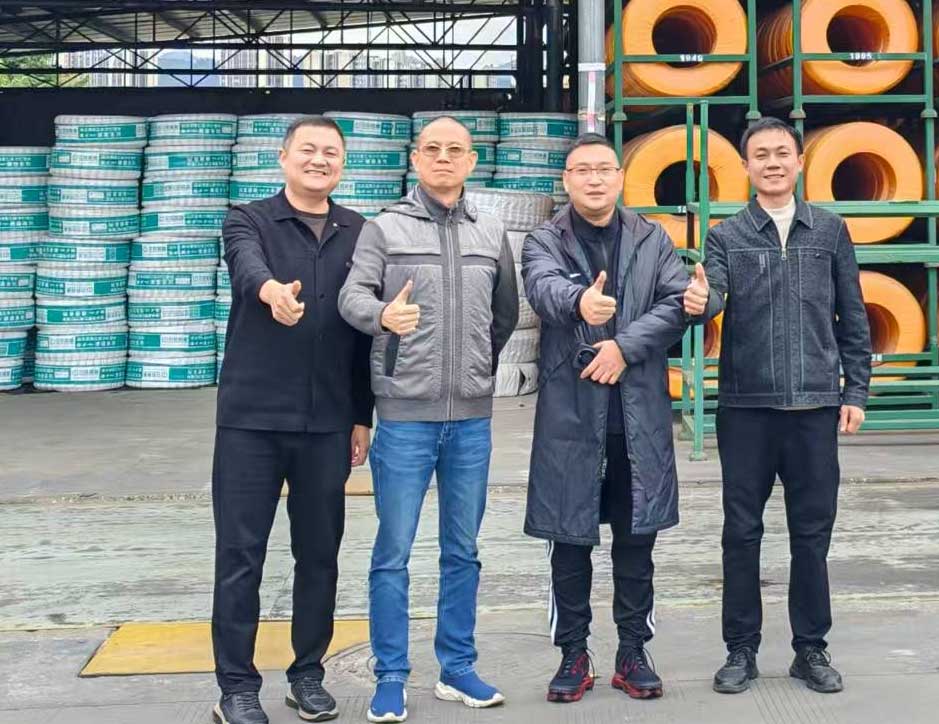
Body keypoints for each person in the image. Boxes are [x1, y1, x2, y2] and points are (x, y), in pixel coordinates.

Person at [521, 132, 719, 704]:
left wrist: (624, 347)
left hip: (636, 417)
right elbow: (542, 287)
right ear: (567, 180)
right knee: (569, 542)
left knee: (636, 544)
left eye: (604, 169)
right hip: (571, 416)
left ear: (620, 177)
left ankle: (633, 651)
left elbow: (682, 301)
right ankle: (573, 653)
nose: (594, 178)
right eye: (582, 170)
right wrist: (579, 301)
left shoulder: (650, 238)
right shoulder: (545, 239)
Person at [338, 116, 518, 723]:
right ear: (416, 159)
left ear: (471, 161)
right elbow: (352, 297)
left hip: (470, 421)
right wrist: (383, 319)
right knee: (393, 551)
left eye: (455, 149)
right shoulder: (384, 228)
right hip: (404, 420)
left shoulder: (491, 230)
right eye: (433, 149)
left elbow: (504, 316)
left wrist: (475, 369)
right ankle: (390, 675)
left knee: (462, 550)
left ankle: (457, 667)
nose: (444, 158)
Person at [697, 117, 872, 696]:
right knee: (741, 533)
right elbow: (712, 295)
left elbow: (853, 315)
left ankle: (810, 649)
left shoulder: (830, 230)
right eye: (760, 155)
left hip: (815, 406)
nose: (771, 163)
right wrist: (699, 299)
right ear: (745, 167)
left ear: (799, 162)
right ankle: (740, 650)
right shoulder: (725, 235)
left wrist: (855, 391)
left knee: (811, 534)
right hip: (746, 408)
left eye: (781, 153)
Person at [212, 116, 374, 724]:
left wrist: (361, 415)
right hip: (251, 420)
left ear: (342, 164)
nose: (319, 160)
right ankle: (236, 686)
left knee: (320, 555)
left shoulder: (360, 231)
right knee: (240, 556)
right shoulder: (248, 219)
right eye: (308, 150)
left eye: (331, 152)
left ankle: (307, 674)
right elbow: (245, 266)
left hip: (327, 422)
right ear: (284, 158)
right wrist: (271, 292)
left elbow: (362, 334)